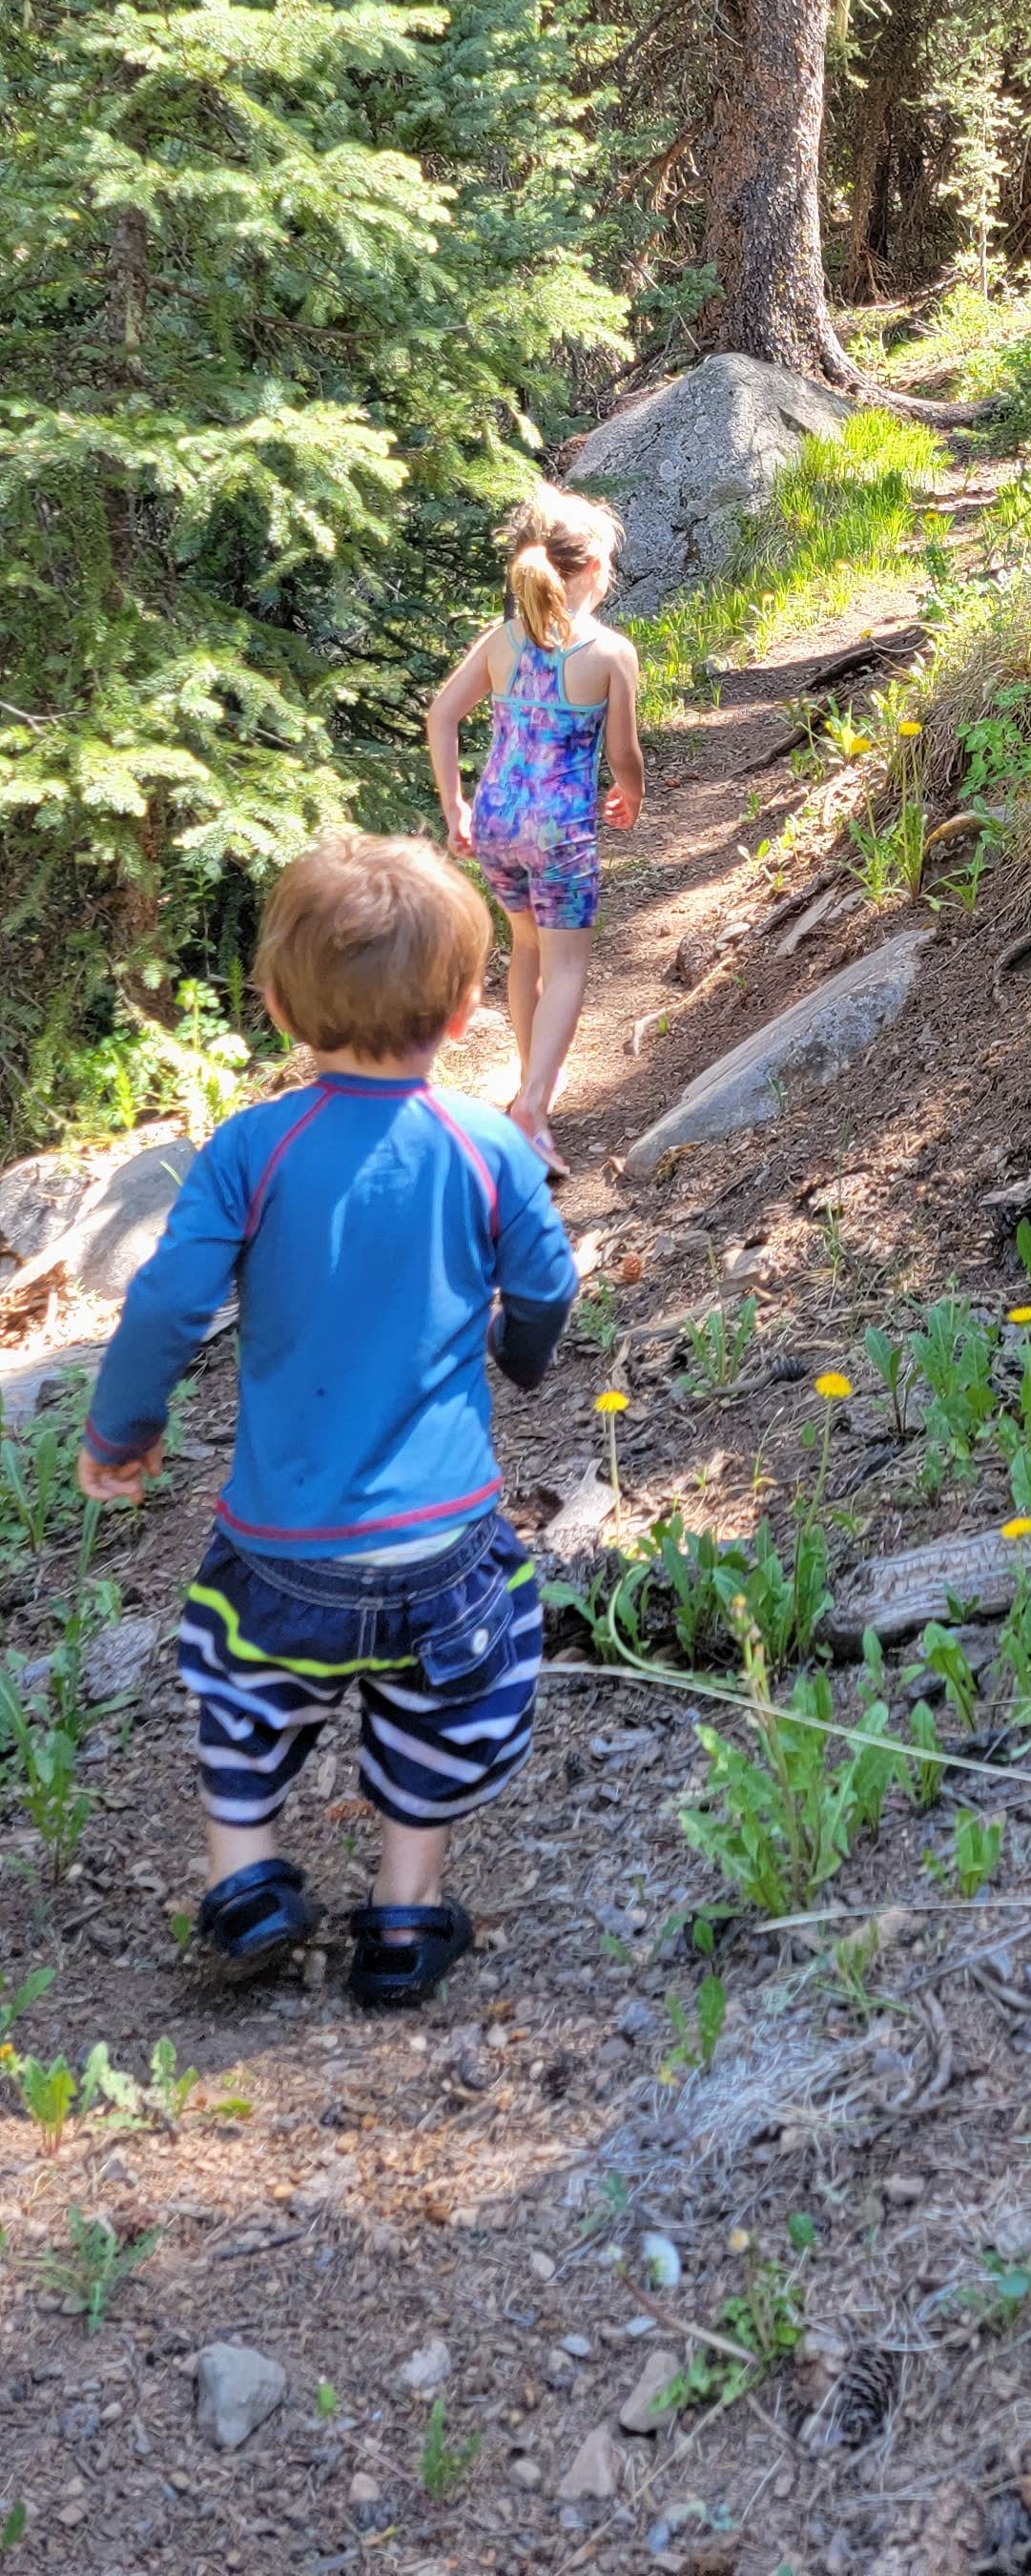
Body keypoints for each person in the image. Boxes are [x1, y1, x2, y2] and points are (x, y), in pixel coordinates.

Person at [76, 833, 576, 2009]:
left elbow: (167, 1298)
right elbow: (547, 1284)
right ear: (464, 1010)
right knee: (443, 1708)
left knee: (244, 1697)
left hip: (282, 1546)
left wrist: (119, 1430)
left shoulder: (252, 1148)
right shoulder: (486, 1144)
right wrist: (520, 1355)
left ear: (278, 1004)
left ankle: (245, 1882)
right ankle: (402, 1923)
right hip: (442, 1544)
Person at [425, 484, 644, 1174]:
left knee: (526, 951)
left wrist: (453, 805)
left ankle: (529, 1082)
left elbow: (442, 716)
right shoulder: (608, 654)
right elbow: (623, 756)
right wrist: (630, 793)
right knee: (568, 964)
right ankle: (534, 1108)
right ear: (590, 572)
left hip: (495, 821)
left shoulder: (502, 642)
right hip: (560, 832)